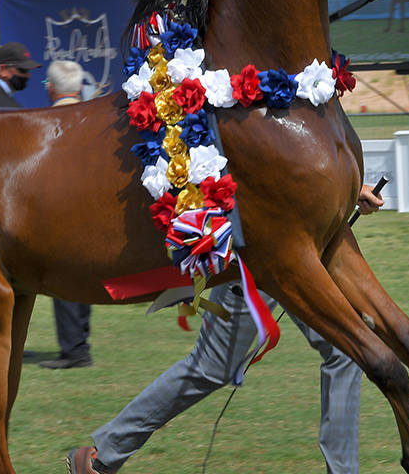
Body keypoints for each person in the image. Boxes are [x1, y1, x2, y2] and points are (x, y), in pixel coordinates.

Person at [66, 184, 385, 474]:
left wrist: (348, 189)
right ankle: (100, 455)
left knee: (347, 349)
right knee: (211, 367)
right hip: (254, 256)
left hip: (295, 254)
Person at [39, 59, 94, 369]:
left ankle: (75, 350)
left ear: (50, 88)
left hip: (60, 208)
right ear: (80, 87)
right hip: (93, 204)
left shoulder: (45, 121)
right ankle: (78, 344)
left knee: (65, 279)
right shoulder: (94, 119)